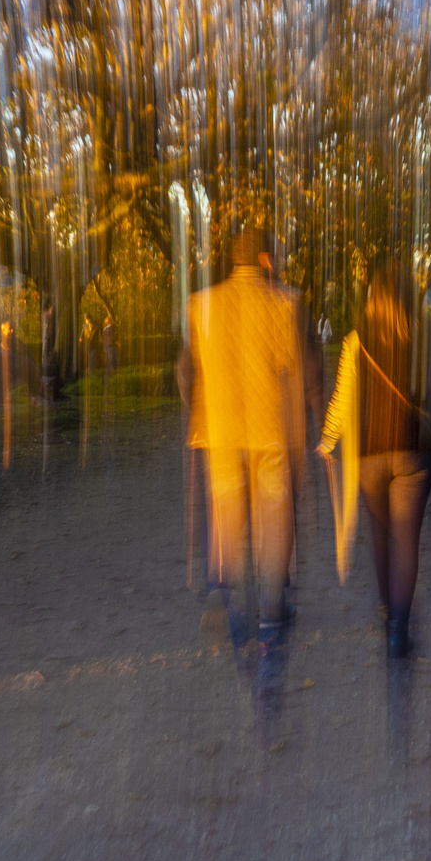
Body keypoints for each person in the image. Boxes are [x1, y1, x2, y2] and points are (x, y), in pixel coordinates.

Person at [179, 227, 307, 639]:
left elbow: (188, 369)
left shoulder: (202, 305)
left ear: (235, 260)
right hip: (268, 425)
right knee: (272, 514)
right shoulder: (283, 302)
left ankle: (220, 590)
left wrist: (199, 410)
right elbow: (290, 368)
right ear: (266, 259)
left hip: (220, 428)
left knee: (226, 511)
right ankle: (271, 606)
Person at [317, 265, 431, 658]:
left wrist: (327, 439)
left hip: (369, 455)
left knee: (382, 533)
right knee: (407, 541)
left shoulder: (357, 340)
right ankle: (397, 632)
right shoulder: (428, 335)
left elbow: (343, 397)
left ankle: (387, 608)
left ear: (373, 297)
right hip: (412, 453)